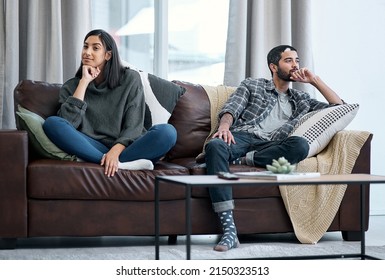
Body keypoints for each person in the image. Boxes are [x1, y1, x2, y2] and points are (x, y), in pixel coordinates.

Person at [205, 45, 344, 252]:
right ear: (273, 66)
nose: (295, 65)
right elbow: (231, 108)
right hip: (242, 136)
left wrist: (314, 80)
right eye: (288, 61)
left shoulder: (302, 100)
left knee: (300, 145)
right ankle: (229, 230)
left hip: (273, 145)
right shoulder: (253, 85)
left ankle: (245, 160)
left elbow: (339, 108)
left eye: (296, 60)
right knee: (216, 145)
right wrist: (224, 127)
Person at [43, 29, 177, 177]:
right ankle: (124, 165)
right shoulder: (72, 86)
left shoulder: (130, 79)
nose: (87, 52)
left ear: (108, 55)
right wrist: (84, 82)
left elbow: (134, 125)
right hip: (93, 146)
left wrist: (115, 151)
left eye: (95, 48)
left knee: (168, 132)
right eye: (85, 46)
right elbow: (68, 123)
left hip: (127, 147)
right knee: (52, 123)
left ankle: (109, 161)